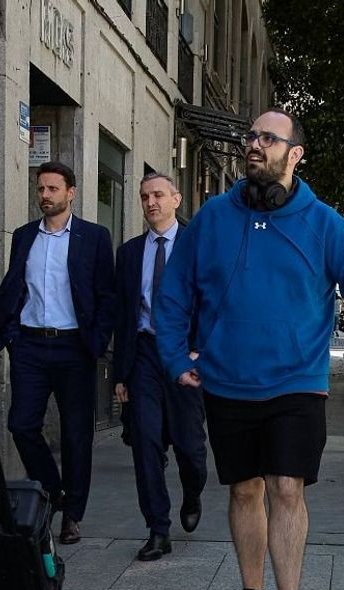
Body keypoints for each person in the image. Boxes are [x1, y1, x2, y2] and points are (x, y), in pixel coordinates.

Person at [154, 109, 344, 590]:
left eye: (269, 138)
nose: (254, 144)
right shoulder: (213, 219)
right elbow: (173, 295)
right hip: (227, 380)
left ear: (294, 155)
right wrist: (176, 358)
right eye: (251, 136)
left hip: (297, 381)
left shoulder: (324, 223)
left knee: (287, 487)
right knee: (245, 488)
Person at [0, 161, 114, 545]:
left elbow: (106, 295)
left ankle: (72, 514)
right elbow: (13, 289)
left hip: (75, 347)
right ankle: (54, 490)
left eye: (53, 189)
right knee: (21, 424)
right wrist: (11, 336)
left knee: (76, 436)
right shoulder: (24, 236)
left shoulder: (94, 237)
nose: (45, 196)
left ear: (70, 192)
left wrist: (99, 341)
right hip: (30, 345)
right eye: (41, 189)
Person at [113, 172, 207, 561]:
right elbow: (123, 313)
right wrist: (120, 373)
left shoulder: (197, 246)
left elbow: (213, 300)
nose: (150, 202)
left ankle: (192, 490)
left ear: (176, 200)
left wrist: (202, 349)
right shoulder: (131, 252)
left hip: (185, 353)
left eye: (157, 195)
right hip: (145, 354)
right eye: (144, 197)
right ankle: (158, 529)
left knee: (190, 447)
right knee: (146, 442)